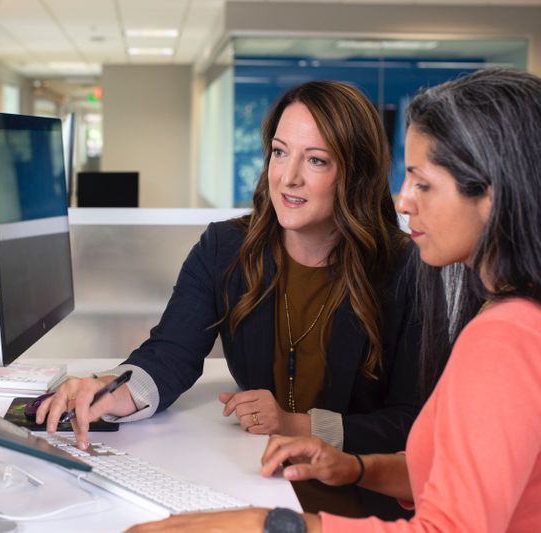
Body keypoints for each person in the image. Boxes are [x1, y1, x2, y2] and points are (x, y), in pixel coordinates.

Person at [127, 67, 541, 532]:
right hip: (303, 476)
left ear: (492, 196)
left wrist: (267, 524)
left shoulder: (502, 333)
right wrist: (354, 467)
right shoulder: (506, 316)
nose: (403, 201)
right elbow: (449, 472)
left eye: (423, 183)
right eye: (279, 154)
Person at [39, 81, 422, 517]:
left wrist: (298, 425)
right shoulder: (225, 248)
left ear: (355, 173)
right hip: (258, 481)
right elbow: (170, 353)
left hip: (362, 500)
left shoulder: (404, 269)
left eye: (315, 160)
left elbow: (411, 422)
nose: (287, 177)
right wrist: (110, 391)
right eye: (280, 152)